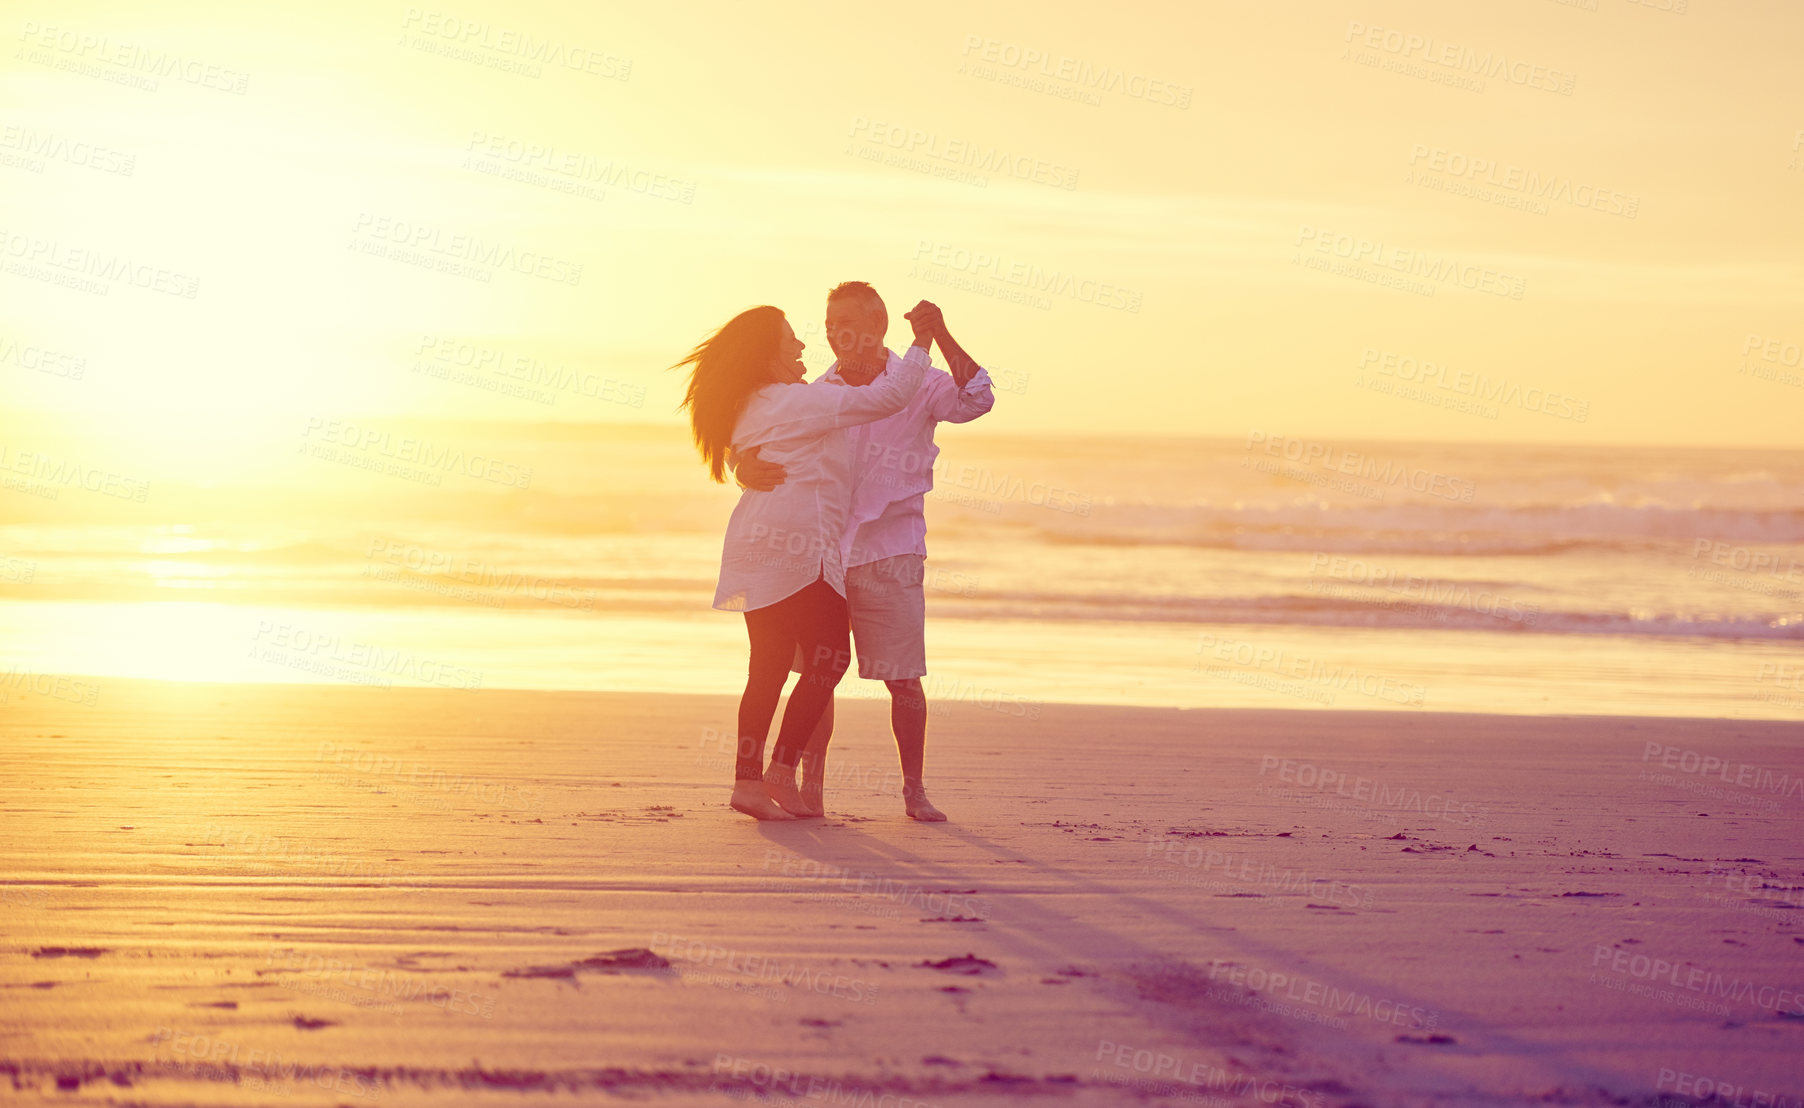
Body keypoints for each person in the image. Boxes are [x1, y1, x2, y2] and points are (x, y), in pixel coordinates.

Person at [733, 282, 995, 821]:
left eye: (846, 321)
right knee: (818, 673)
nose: (834, 333)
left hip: (891, 549)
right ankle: (808, 787)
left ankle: (913, 790)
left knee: (903, 677)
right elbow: (765, 444)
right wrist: (741, 468)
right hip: (819, 552)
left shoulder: (919, 382)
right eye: (829, 323)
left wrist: (938, 334)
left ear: (878, 326)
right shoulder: (815, 389)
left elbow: (977, 400)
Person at [676, 300, 942, 820]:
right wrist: (922, 345)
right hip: (798, 550)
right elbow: (889, 395)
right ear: (767, 355)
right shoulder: (798, 401)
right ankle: (776, 772)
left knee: (769, 668)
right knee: (830, 660)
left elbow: (748, 451)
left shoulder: (752, 403)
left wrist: (739, 465)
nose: (803, 346)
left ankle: (750, 782)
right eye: (791, 339)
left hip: (757, 548)